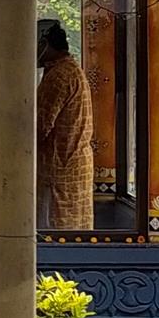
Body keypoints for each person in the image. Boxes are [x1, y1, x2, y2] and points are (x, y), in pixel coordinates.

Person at [37, 19, 95, 230]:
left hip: (59, 171)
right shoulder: (70, 69)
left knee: (57, 236)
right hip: (72, 166)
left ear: (44, 44)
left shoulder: (59, 76)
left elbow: (40, 127)